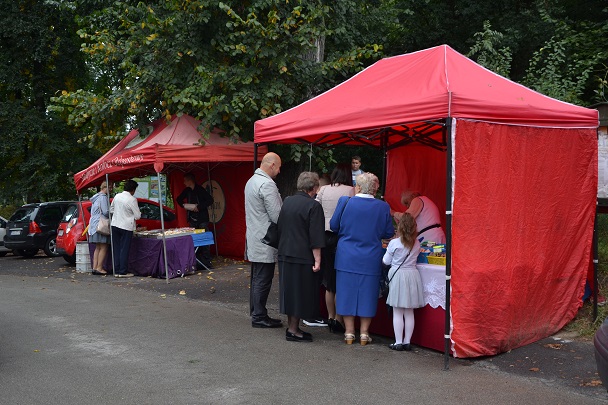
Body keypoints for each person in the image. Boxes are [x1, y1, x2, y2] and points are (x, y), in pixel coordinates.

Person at [330, 172, 394, 345]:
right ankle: (364, 333)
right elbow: (388, 232)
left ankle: (349, 332)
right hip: (371, 256)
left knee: (346, 293)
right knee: (368, 294)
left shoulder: (345, 202)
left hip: (346, 256)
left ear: (358, 187)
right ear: (374, 189)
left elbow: (334, 226)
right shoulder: (383, 207)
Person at [277, 172, 326, 342]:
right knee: (300, 293)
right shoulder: (313, 206)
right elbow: (316, 236)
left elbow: (280, 226)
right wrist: (318, 260)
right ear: (314, 187)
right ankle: (293, 330)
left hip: (285, 252)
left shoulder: (288, 201)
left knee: (290, 292)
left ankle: (293, 327)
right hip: (302, 255)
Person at [311, 163, 355, 332]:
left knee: (329, 280)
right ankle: (338, 319)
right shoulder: (350, 190)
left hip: (323, 235)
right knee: (339, 279)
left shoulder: (323, 189)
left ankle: (330, 317)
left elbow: (315, 208)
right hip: (340, 237)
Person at [245, 152, 283, 328]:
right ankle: (259, 316)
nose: (279, 171)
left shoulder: (251, 181)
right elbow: (277, 216)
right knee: (263, 279)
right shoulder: (267, 184)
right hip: (266, 239)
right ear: (272, 165)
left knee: (257, 277)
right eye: (279, 167)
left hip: (255, 236)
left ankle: (257, 312)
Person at [382, 212, 424, 351]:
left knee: (398, 311)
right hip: (412, 275)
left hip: (398, 275)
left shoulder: (394, 243)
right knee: (409, 311)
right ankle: (407, 342)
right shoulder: (416, 243)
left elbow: (386, 261)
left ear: (400, 226)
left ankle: (398, 342)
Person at [176, 172, 214, 269]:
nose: (184, 183)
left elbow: (210, 200)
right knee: (194, 240)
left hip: (202, 218)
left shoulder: (200, 189)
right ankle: (195, 261)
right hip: (192, 218)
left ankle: (206, 261)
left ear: (190, 181)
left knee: (204, 239)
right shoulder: (187, 190)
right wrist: (184, 205)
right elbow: (178, 199)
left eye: (185, 181)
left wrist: (199, 207)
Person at [110, 179, 141, 278]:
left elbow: (111, 209)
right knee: (124, 249)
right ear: (133, 190)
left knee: (116, 248)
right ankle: (122, 271)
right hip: (126, 226)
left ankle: (116, 270)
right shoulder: (132, 199)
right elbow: (138, 216)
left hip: (115, 224)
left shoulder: (117, 196)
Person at [89, 181, 111, 275]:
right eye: (110, 187)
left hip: (94, 225)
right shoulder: (103, 197)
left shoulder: (96, 197)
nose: (111, 189)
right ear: (106, 187)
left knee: (97, 247)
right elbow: (105, 212)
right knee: (104, 246)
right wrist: (112, 212)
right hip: (101, 224)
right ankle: (99, 268)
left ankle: (94, 267)